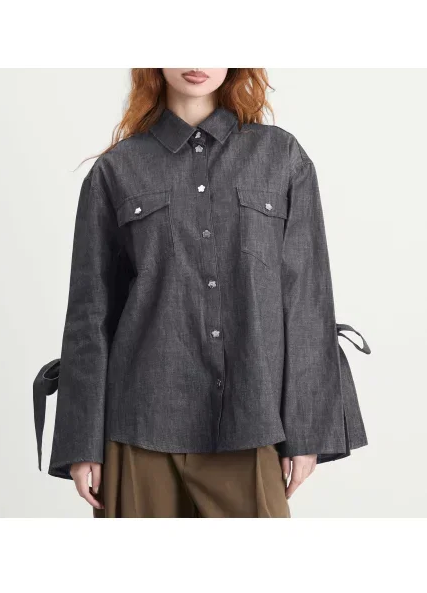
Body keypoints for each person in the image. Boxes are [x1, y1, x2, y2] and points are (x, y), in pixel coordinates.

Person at [33, 68, 370, 518]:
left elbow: (306, 298)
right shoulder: (115, 170)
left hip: (250, 419)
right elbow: (89, 315)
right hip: (139, 425)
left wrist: (306, 431)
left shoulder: (280, 156)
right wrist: (82, 442)